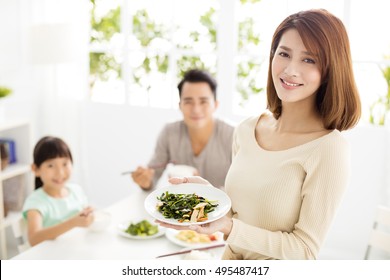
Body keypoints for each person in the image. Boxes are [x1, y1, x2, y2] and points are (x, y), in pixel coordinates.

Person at [160, 9, 361, 260]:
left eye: (309, 60)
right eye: (284, 54)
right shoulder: (247, 130)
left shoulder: (328, 149)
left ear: (331, 70)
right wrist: (211, 198)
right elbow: (239, 221)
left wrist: (230, 227)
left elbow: (306, 250)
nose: (290, 70)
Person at [131, 69, 235, 189]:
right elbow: (152, 177)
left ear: (215, 105)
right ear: (180, 105)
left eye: (203, 102)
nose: (196, 109)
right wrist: (145, 180)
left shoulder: (234, 135)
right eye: (188, 102)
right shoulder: (169, 132)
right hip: (183, 205)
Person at [22, 136, 94, 246]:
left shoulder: (76, 190)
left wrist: (88, 215)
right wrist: (72, 223)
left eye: (65, 164)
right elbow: (34, 238)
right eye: (51, 166)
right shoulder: (36, 202)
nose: (60, 173)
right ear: (35, 169)